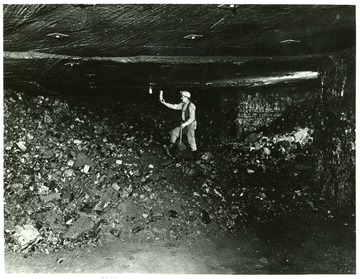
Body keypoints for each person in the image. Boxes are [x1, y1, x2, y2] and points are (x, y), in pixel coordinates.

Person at [160, 90, 198, 161]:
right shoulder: (183, 104)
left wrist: (185, 124)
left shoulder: (191, 105)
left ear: (186, 97)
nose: (181, 98)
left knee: (191, 139)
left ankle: (195, 157)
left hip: (190, 124)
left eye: (182, 97)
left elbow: (192, 118)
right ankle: (170, 148)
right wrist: (164, 103)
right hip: (184, 123)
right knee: (174, 132)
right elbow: (175, 106)